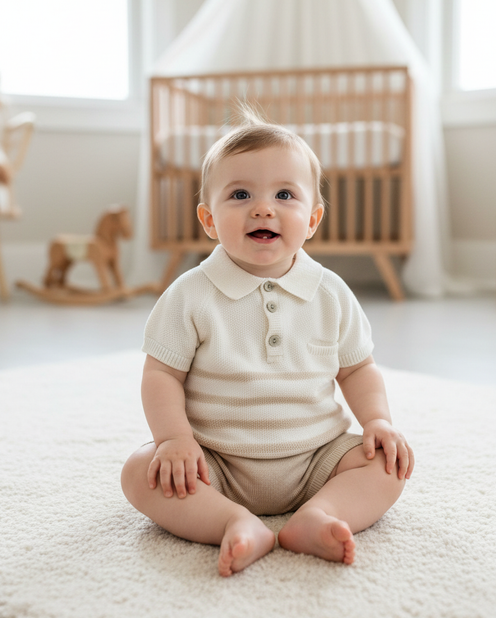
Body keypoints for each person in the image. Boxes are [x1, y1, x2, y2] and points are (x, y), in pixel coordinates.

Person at [121, 111, 414, 577]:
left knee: (388, 465)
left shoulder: (330, 291)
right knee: (141, 472)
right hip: (215, 462)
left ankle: (319, 516)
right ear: (209, 219)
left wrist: (377, 421)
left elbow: (357, 369)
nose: (263, 208)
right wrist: (174, 440)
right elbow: (161, 375)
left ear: (313, 218)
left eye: (284, 195)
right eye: (240, 195)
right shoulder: (190, 293)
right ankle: (233, 521)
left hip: (318, 457)